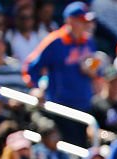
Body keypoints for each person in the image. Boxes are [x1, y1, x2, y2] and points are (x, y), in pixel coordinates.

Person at [22, 2, 96, 141]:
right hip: (62, 106)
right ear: (70, 20)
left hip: (84, 104)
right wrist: (35, 87)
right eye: (81, 21)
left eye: (86, 21)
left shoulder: (88, 41)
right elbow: (30, 67)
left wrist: (92, 71)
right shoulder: (55, 41)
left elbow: (94, 70)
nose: (85, 24)